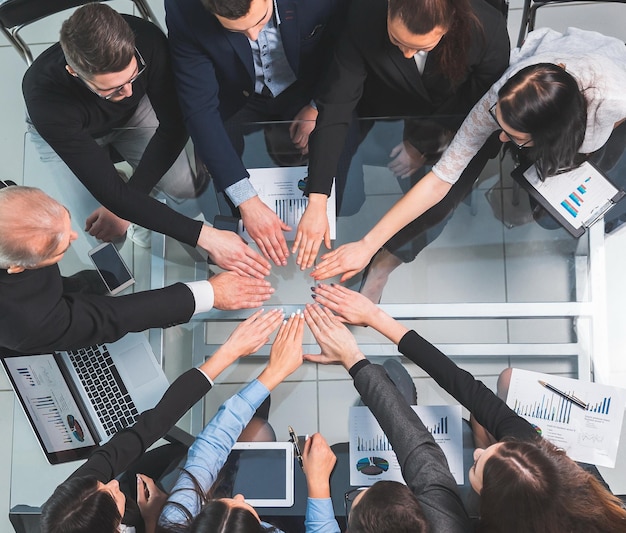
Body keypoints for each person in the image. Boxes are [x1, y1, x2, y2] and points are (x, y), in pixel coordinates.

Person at [310, 27, 626, 293]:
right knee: (452, 192)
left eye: (512, 136)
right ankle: (383, 263)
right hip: (550, 94)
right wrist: (367, 245)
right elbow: (440, 180)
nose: (500, 139)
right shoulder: (505, 94)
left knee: (558, 211)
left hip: (601, 108)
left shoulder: (612, 99)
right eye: (500, 127)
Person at [310, 283, 626, 532]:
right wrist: (375, 317)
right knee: (479, 416)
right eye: (496, 449)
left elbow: (425, 462)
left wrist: (353, 357)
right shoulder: (567, 475)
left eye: (479, 464)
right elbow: (466, 387)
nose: (477, 454)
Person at [23, 3, 269, 278]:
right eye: (113, 88)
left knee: (185, 187)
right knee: (99, 233)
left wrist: (128, 201)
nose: (128, 91)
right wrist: (205, 236)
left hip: (134, 117)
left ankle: (128, 192)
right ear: (74, 73)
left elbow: (174, 127)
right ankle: (120, 200)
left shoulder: (147, 40)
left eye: (134, 76)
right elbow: (113, 198)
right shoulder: (45, 100)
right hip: (70, 136)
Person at [292, 0, 510, 271]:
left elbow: (477, 105)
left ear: (449, 25)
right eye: (397, 40)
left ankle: (383, 266)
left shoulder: (487, 30)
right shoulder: (364, 12)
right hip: (385, 100)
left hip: (454, 122)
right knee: (342, 191)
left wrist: (420, 144)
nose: (407, 54)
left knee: (439, 207)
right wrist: (317, 200)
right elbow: (337, 104)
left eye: (421, 47)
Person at [40, 308, 285, 533]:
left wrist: (229, 351)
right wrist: (154, 523)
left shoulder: (78, 502)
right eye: (112, 496)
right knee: (256, 433)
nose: (111, 482)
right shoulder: (171, 518)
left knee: (247, 428)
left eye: (101, 483)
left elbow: (153, 423)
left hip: (157, 498)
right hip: (170, 518)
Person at [165, 0, 346, 267]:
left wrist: (318, 105)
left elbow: (346, 49)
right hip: (233, 95)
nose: (253, 35)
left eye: (261, 22)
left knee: (344, 197)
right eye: (237, 31)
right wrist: (247, 201)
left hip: (305, 89)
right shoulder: (184, 8)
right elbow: (200, 109)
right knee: (220, 198)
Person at [0, 185, 274, 355]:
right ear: (18, 267)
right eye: (58, 249)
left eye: (66, 221)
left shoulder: (9, 201)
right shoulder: (28, 323)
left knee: (84, 284)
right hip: (27, 323)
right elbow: (112, 317)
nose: (74, 237)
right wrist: (209, 293)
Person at [157, 312, 339, 533]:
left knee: (258, 429)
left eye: (224, 504)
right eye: (241, 506)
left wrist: (274, 373)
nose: (241, 497)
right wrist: (319, 485)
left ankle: (259, 414)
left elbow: (210, 447)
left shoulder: (178, 520)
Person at [303, 303, 470, 533]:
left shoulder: (447, 523)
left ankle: (388, 397)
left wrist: (352, 357)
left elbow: (418, 446)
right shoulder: (445, 519)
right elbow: (417, 446)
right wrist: (354, 360)